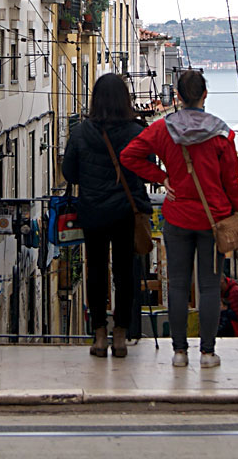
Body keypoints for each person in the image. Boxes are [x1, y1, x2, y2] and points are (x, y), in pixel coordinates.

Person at [121, 69, 238, 369]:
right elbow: (232, 181)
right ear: (204, 95)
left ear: (177, 96)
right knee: (210, 286)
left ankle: (178, 353)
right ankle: (207, 352)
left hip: (176, 217)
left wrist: (162, 178)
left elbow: (129, 156)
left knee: (176, 284)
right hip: (212, 218)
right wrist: (236, 213)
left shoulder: (163, 129)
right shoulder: (221, 134)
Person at [62, 73, 152, 359]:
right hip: (127, 211)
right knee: (125, 273)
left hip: (93, 211)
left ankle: (99, 335)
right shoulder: (138, 133)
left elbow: (69, 173)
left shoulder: (81, 132)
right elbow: (147, 170)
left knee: (96, 271)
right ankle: (121, 335)